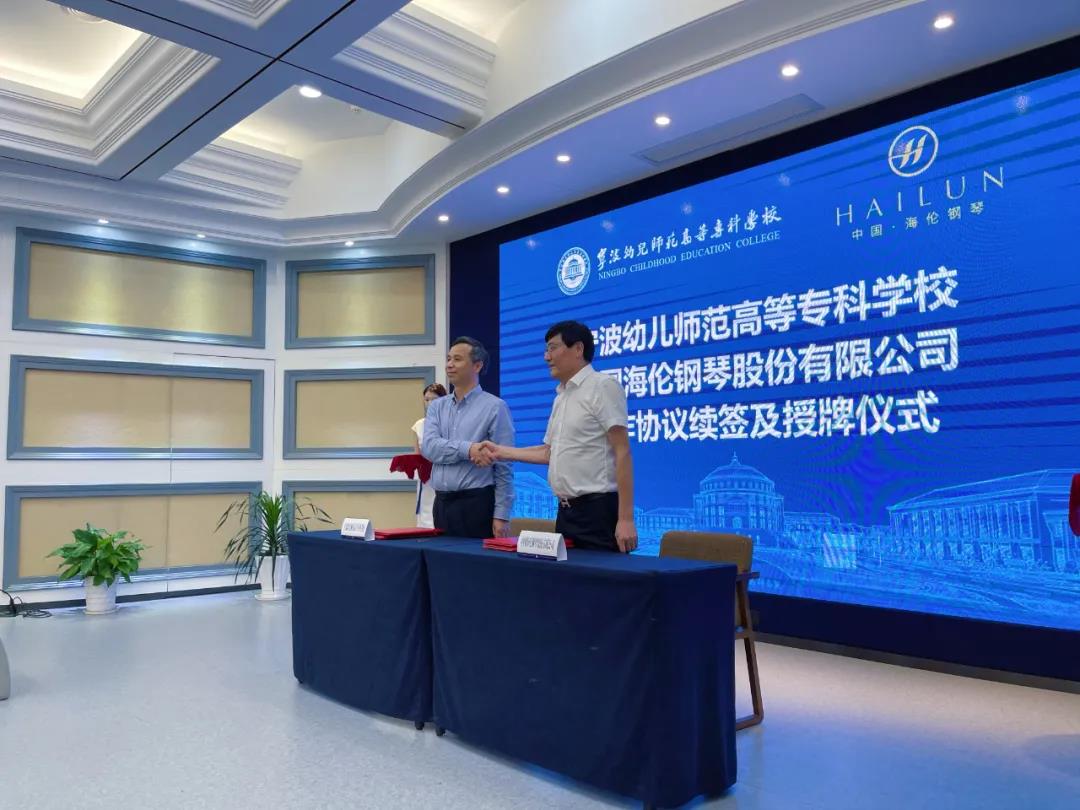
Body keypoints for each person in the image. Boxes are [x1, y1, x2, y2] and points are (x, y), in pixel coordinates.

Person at [480, 321, 637, 553]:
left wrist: (625, 519)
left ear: (578, 349)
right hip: (565, 512)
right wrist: (500, 452)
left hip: (598, 511)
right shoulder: (561, 397)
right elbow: (549, 452)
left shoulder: (603, 386)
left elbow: (622, 450)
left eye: (553, 348)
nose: (547, 357)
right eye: (546, 350)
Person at [422, 337, 514, 538]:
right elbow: (429, 448)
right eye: (448, 359)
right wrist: (469, 449)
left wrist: (502, 515)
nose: (449, 364)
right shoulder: (437, 407)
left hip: (476, 505)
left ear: (477, 366)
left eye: (457, 359)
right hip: (441, 504)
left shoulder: (495, 407)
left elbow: (504, 466)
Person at [410, 383, 447, 528]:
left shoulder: (450, 424)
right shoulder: (419, 425)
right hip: (425, 478)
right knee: (425, 518)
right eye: (427, 400)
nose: (430, 403)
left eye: (434, 399)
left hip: (446, 477)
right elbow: (416, 455)